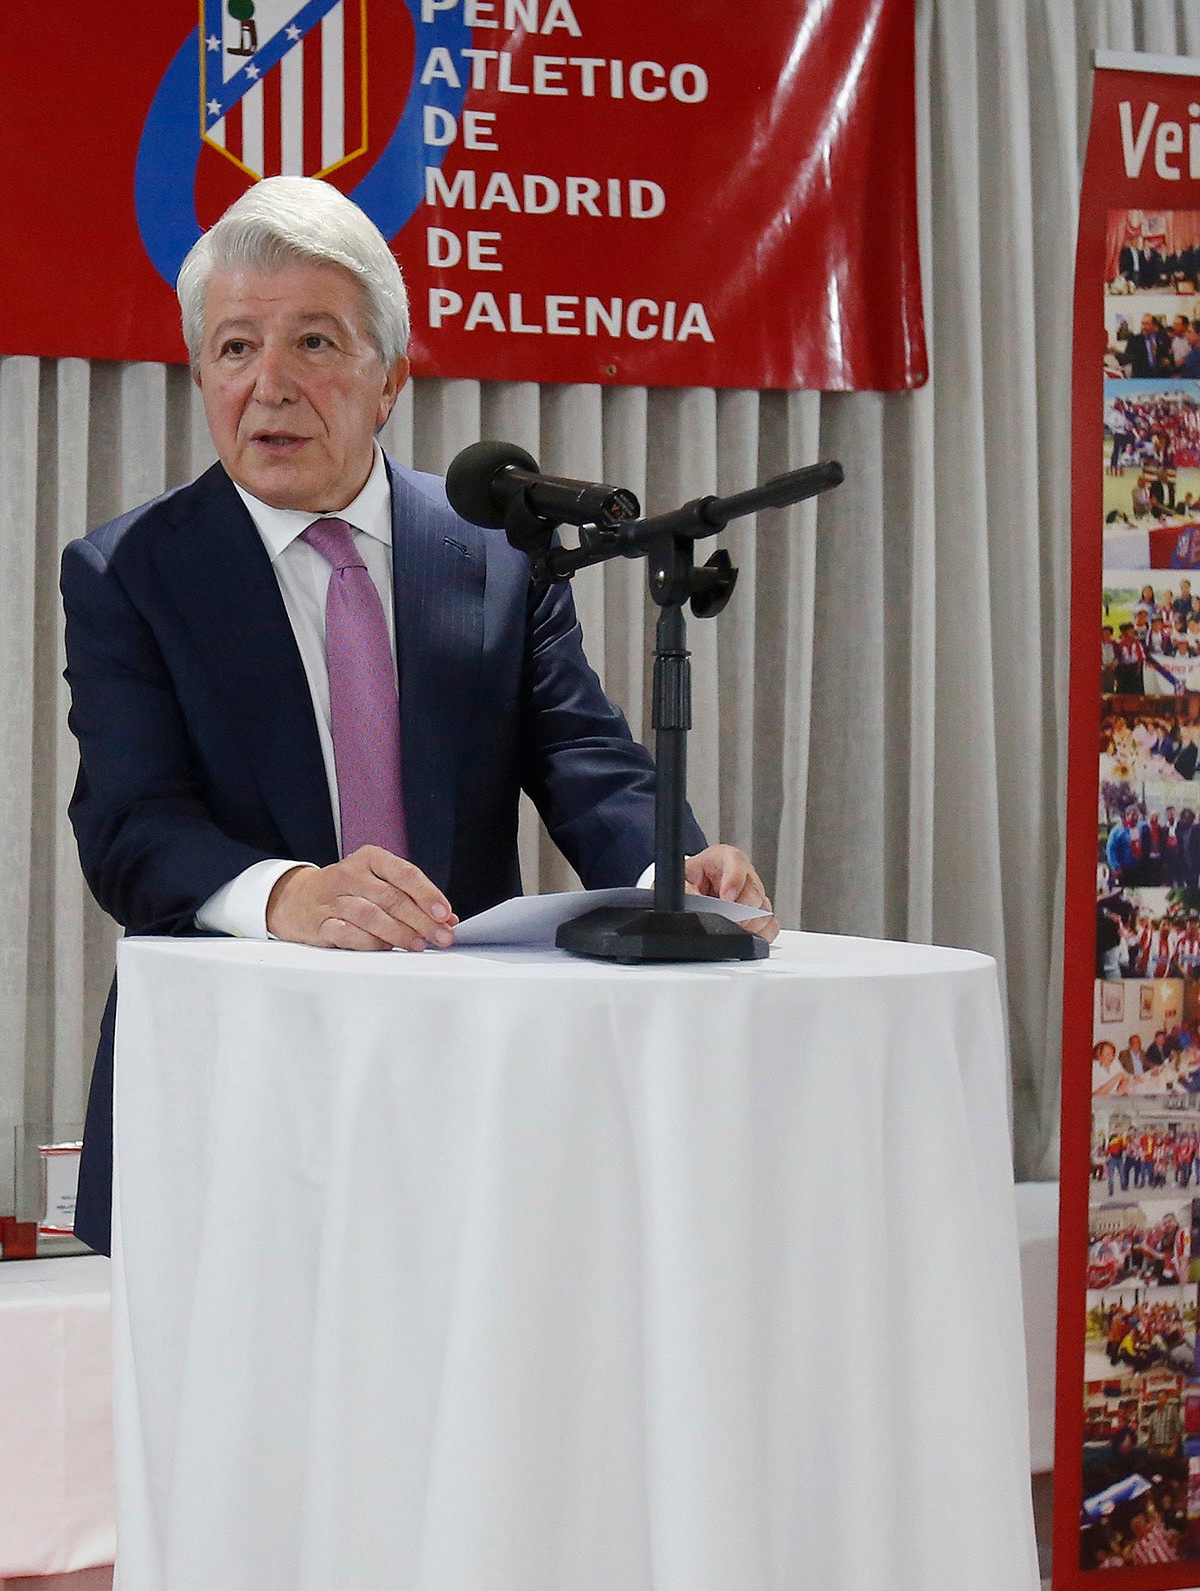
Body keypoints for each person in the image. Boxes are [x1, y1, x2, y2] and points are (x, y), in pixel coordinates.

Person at [61, 177, 778, 1255]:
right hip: (239, 1083)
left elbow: (584, 755)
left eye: (313, 342)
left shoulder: (491, 550)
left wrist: (668, 876)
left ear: (390, 377)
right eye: (235, 348)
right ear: (202, 373)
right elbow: (128, 825)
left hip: (467, 1071)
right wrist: (291, 894)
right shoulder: (131, 570)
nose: (270, 386)